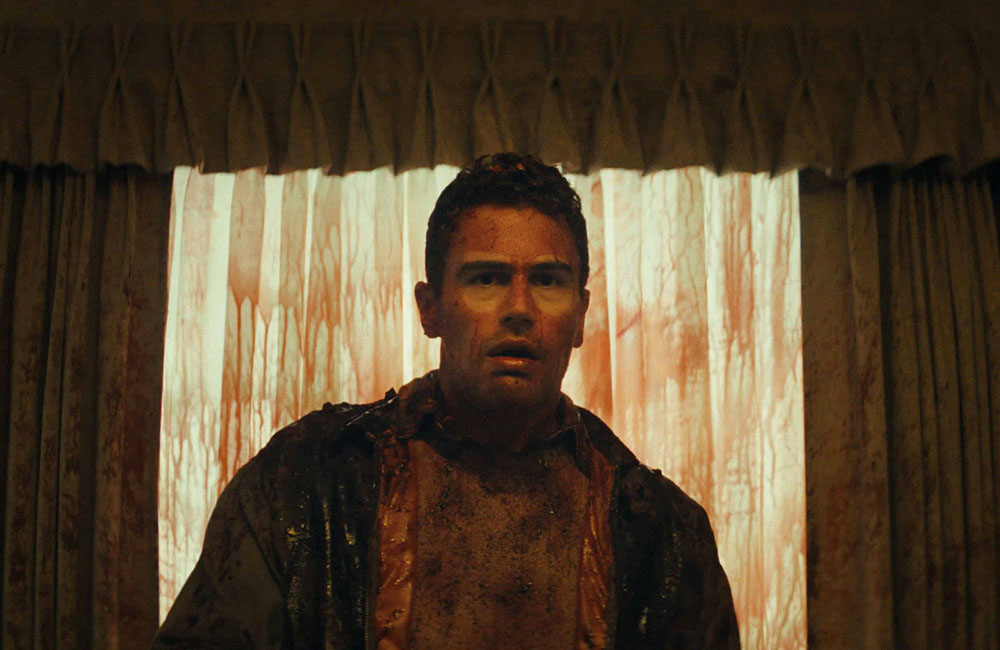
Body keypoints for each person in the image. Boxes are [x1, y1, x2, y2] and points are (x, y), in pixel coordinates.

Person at [152, 153, 740, 649]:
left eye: (547, 280)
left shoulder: (661, 532)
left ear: (581, 316)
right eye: (486, 278)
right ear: (429, 309)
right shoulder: (306, 484)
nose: (519, 308)